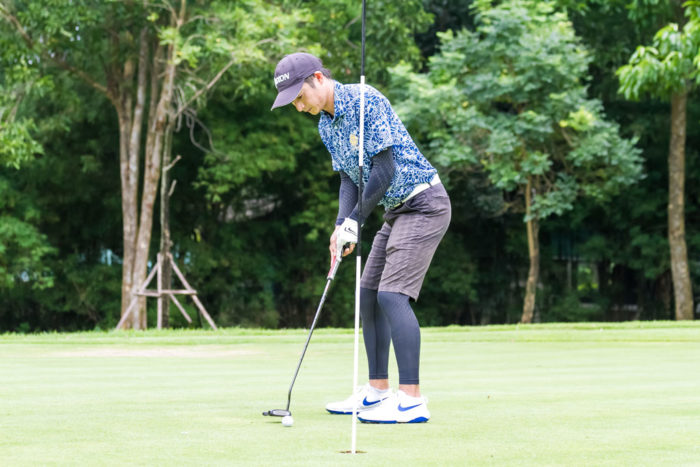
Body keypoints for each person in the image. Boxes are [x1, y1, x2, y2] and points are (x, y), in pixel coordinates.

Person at [271, 52, 451, 423]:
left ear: (318, 78)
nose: (299, 107)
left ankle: (412, 400)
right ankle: (377, 391)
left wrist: (356, 219)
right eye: (293, 103)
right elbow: (348, 178)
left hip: (424, 203)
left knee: (392, 295)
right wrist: (342, 224)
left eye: (300, 97)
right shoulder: (326, 125)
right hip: (396, 210)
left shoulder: (365, 101)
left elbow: (384, 170)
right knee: (368, 293)